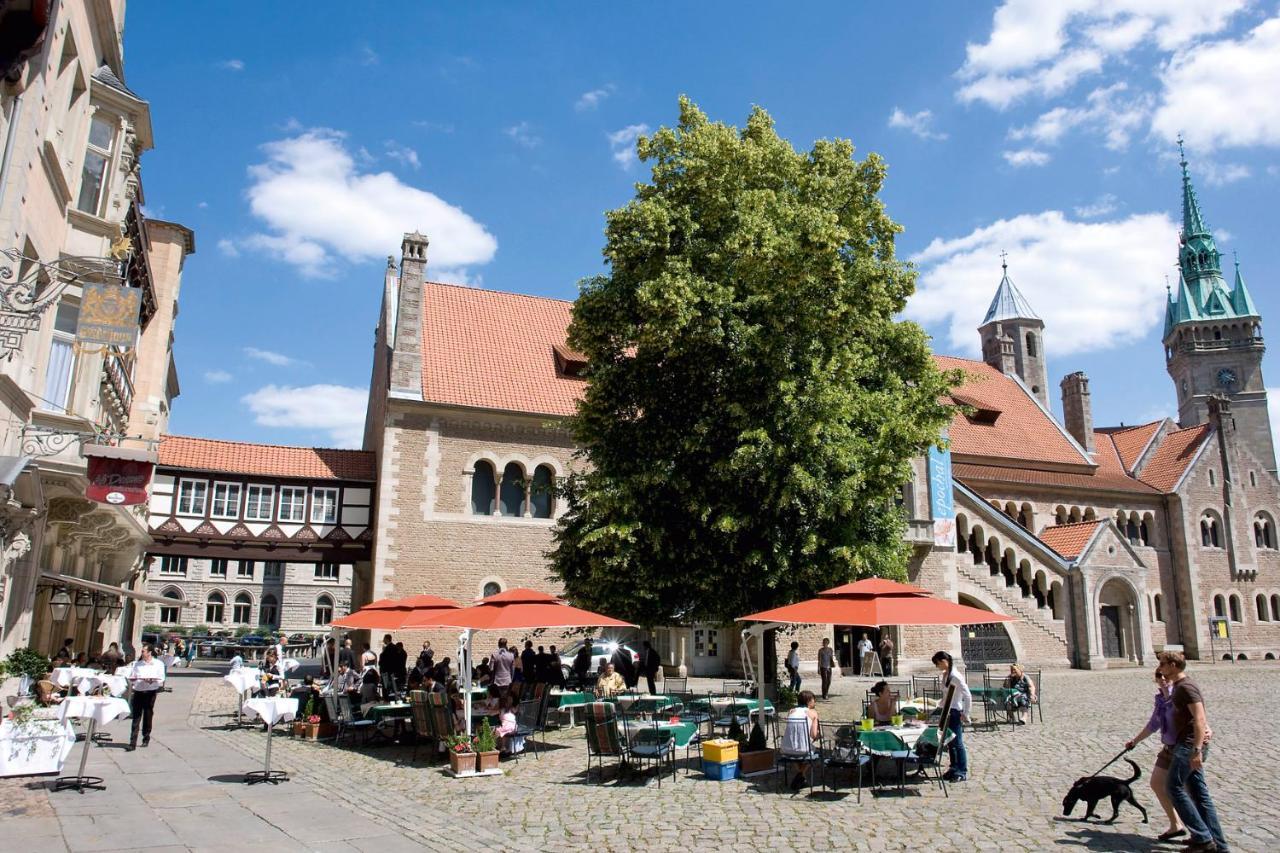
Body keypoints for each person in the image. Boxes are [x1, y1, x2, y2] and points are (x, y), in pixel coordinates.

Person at [1159, 650, 1227, 853]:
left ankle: (1202, 838)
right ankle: (1219, 845)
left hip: (1189, 747)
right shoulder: (1177, 687)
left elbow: (1199, 718)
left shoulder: (1187, 687)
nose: (1160, 668)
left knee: (1173, 788)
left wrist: (1197, 749)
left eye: (1162, 664)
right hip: (1187, 744)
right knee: (1199, 795)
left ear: (1173, 665)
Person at [1126, 668, 1193, 842]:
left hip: (1183, 748)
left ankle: (1200, 832)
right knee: (1157, 783)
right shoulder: (1161, 700)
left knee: (1187, 790)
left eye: (1166, 676)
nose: (1163, 679)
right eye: (1159, 676)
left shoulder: (1178, 696)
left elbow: (1196, 715)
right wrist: (1135, 741)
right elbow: (1153, 724)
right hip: (1169, 748)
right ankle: (1175, 825)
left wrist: (1207, 731)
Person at [932, 650, 971, 782]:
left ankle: (962, 770)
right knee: (949, 742)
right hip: (946, 710)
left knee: (957, 742)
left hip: (954, 711)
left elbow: (967, 695)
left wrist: (965, 713)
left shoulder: (955, 676)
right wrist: (938, 706)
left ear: (944, 662)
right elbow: (946, 695)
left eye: (938, 664)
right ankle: (953, 767)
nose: (938, 667)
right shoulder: (946, 675)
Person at [124, 644, 165, 750]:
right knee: (136, 716)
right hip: (138, 691)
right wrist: (133, 679)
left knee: (148, 715)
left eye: (143, 651)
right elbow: (133, 676)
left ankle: (146, 738)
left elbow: (161, 678)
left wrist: (152, 680)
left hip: (150, 692)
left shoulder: (158, 664)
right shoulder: (137, 664)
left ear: (149, 652)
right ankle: (132, 742)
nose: (142, 653)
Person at [781, 690, 820, 791]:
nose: (814, 702)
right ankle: (800, 774)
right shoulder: (813, 713)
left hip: (786, 749)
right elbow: (814, 735)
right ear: (808, 701)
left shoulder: (791, 711)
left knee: (797, 752)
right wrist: (818, 736)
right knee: (812, 751)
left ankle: (801, 777)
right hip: (803, 750)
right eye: (813, 700)